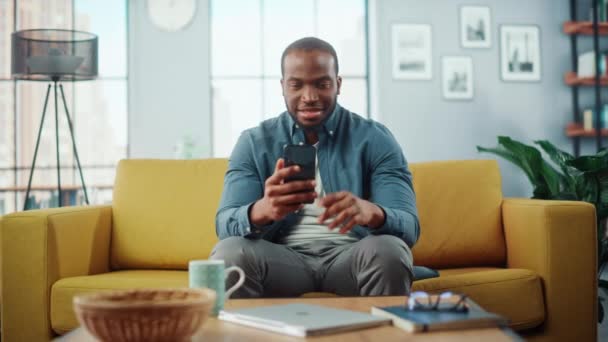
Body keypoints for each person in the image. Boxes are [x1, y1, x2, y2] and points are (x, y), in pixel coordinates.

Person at [210, 37, 419, 298]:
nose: (309, 97)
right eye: (296, 85)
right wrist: (262, 210)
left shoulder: (375, 138)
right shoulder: (253, 142)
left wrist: (374, 213)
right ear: (283, 86)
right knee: (229, 253)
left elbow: (409, 227)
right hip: (281, 261)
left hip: (351, 258)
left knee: (390, 250)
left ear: (338, 85)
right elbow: (224, 225)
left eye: (322, 84)